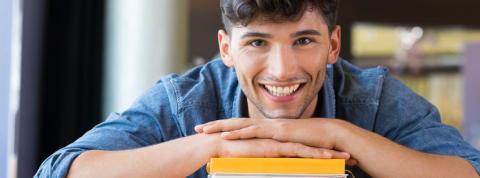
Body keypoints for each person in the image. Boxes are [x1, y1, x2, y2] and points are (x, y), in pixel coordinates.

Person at [35, 0, 480, 177]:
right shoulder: (188, 98)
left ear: (334, 44)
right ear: (226, 48)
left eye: (303, 41)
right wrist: (221, 148)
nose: (282, 69)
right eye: (257, 43)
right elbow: (60, 172)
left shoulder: (373, 97)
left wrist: (339, 135)